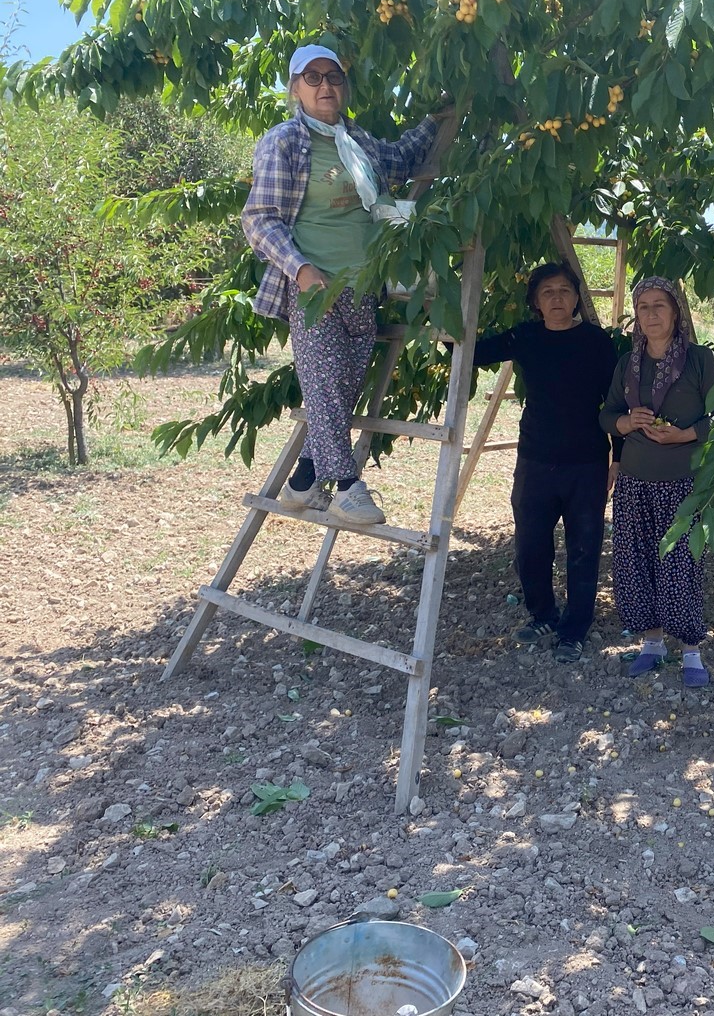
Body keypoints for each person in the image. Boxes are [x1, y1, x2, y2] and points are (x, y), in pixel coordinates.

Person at [241, 43, 444, 525]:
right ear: (295, 89)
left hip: (364, 288)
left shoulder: (359, 142)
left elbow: (401, 158)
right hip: (315, 289)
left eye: (333, 77)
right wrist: (302, 270)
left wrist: (440, 117)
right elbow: (260, 219)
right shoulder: (285, 142)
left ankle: (304, 479)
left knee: (341, 388)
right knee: (327, 386)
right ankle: (347, 485)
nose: (325, 86)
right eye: (312, 78)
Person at [473, 263, 621, 663]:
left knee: (583, 548)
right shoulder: (525, 337)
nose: (557, 298)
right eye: (547, 292)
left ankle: (574, 629)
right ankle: (542, 613)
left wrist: (617, 457)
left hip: (586, 461)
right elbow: (470, 352)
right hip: (535, 459)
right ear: (536, 302)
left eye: (564, 290)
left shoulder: (597, 342)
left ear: (576, 297)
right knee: (531, 544)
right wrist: (441, 316)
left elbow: (616, 403)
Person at [600, 277, 714, 688]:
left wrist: (685, 434)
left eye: (660, 306)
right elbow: (606, 414)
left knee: (681, 564)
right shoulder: (628, 363)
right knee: (635, 562)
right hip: (635, 480)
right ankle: (651, 643)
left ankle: (690, 650)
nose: (651, 314)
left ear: (676, 312)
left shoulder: (700, 361)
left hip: (683, 482)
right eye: (644, 306)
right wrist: (624, 421)